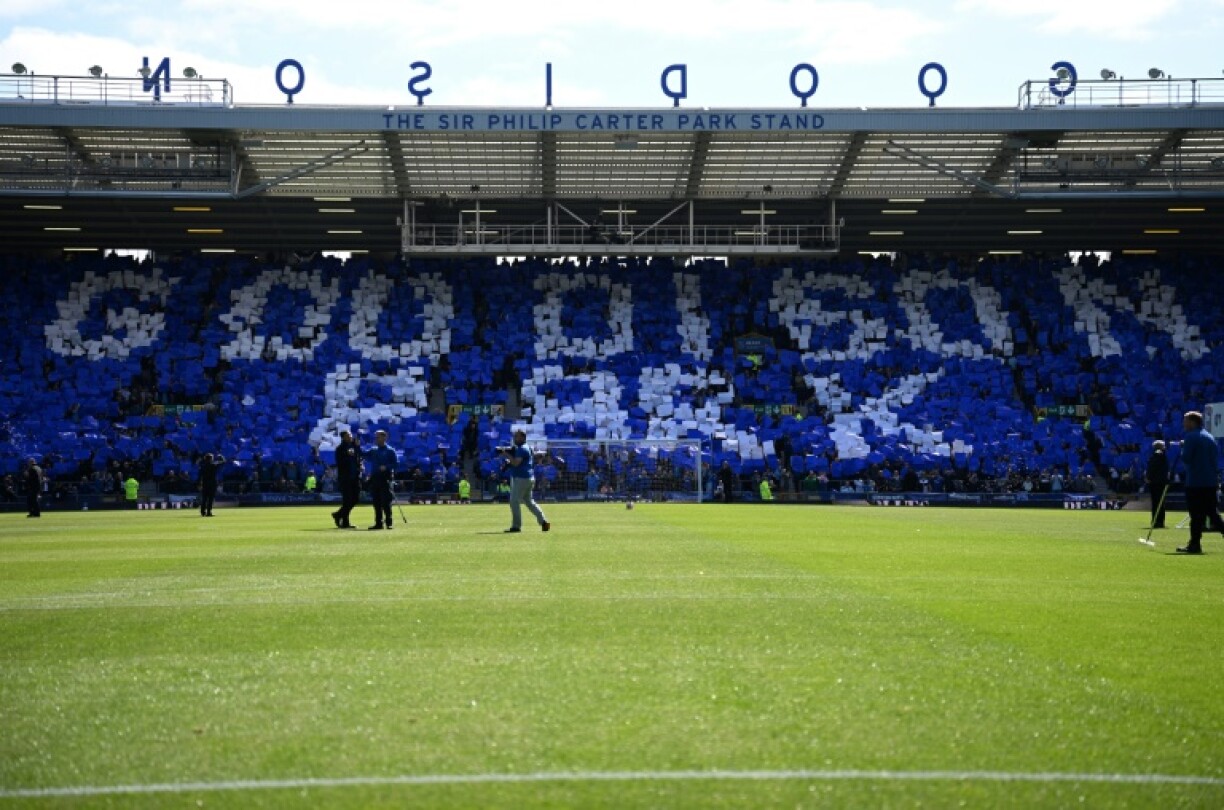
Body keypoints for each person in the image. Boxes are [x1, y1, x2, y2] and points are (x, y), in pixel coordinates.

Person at [1178, 411, 1223, 555]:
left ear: (1192, 422)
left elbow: (1186, 458)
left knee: (1196, 514)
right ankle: (1195, 543)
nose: (1183, 424)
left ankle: (1195, 544)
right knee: (1212, 512)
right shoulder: (1210, 437)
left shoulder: (1191, 437)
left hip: (1195, 481)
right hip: (1210, 481)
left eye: (1185, 421)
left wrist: (1182, 447)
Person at [501, 429, 550, 533]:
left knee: (514, 501)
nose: (515, 438)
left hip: (521, 478)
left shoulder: (522, 449)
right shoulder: (527, 447)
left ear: (523, 438)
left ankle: (516, 526)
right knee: (529, 501)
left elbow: (516, 463)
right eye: (515, 436)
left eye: (517, 436)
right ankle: (544, 522)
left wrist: (506, 454)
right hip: (529, 478)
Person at [365, 429, 398, 530]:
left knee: (386, 502)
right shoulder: (373, 450)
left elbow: (396, 464)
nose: (376, 439)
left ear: (384, 437)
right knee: (376, 502)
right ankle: (378, 523)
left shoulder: (390, 450)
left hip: (385, 478)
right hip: (375, 478)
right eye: (376, 437)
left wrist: (386, 467)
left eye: (378, 437)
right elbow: (364, 454)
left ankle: (389, 522)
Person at [331, 430, 361, 529]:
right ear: (343, 437)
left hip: (355, 477)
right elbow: (340, 463)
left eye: (350, 434)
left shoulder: (354, 446)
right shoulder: (340, 448)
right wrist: (347, 455)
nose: (350, 436)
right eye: (348, 435)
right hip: (345, 478)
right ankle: (345, 522)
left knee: (355, 499)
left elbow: (359, 458)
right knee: (347, 500)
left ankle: (338, 514)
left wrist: (360, 465)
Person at [1145, 440, 1169, 530]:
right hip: (1161, 482)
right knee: (1161, 503)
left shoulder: (1156, 456)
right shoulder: (1162, 456)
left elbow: (1151, 468)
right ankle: (1160, 521)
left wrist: (1148, 477)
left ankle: (1156, 521)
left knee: (1156, 503)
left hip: (1155, 482)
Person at [197, 452, 224, 517]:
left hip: (205, 483)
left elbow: (199, 476)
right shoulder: (213, 465)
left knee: (204, 498)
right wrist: (221, 457)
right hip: (212, 484)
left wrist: (199, 484)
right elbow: (223, 462)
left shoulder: (202, 466)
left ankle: (202, 512)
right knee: (210, 499)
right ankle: (209, 512)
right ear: (211, 459)